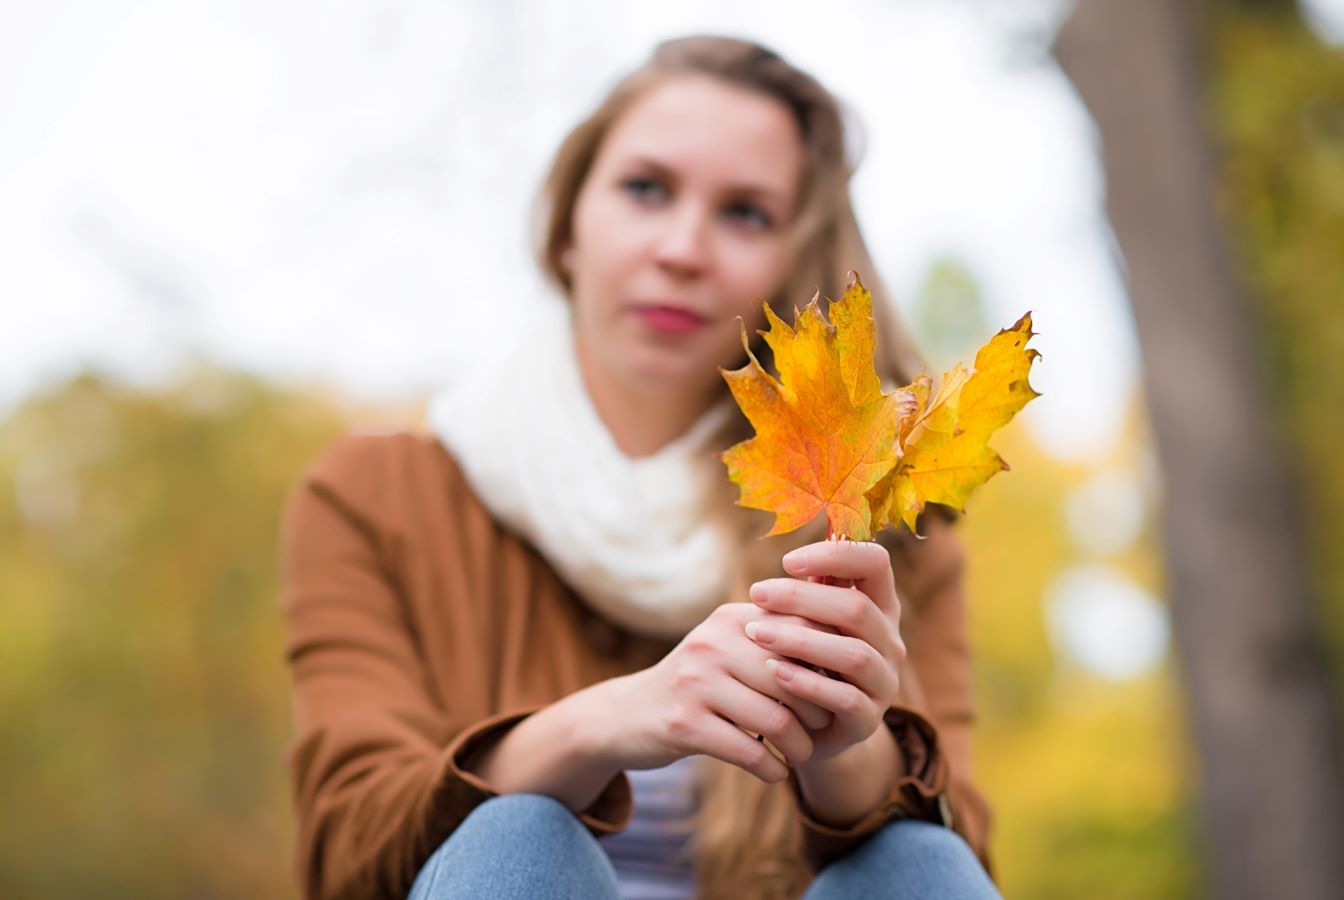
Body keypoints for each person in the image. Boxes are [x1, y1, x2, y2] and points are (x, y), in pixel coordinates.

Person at [280, 34, 999, 900]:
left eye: (746, 213)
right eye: (646, 189)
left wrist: (851, 747)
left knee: (917, 859)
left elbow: (959, 871)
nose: (683, 248)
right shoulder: (377, 497)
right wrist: (599, 726)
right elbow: (348, 849)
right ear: (568, 226)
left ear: (791, 263)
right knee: (519, 834)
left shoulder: (873, 522)